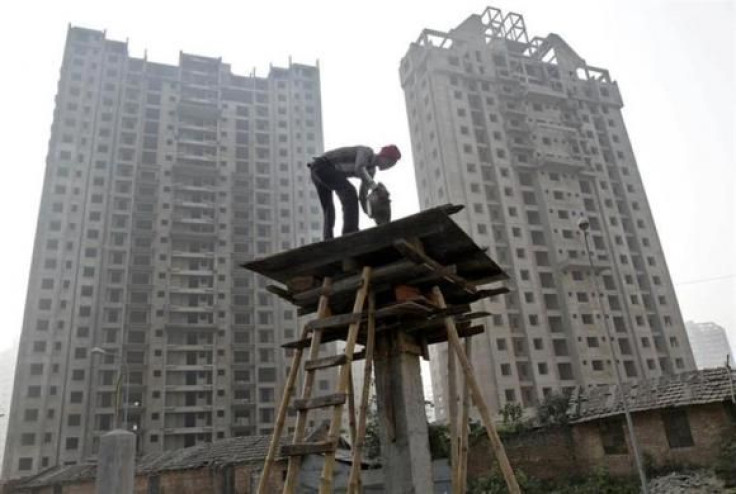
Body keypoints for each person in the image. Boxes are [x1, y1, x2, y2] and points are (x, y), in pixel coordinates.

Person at [308, 145, 401, 240]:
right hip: (321, 165)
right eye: (389, 162)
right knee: (349, 193)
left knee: (329, 208)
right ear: (383, 156)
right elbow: (359, 168)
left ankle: (328, 239)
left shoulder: (371, 171)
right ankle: (350, 232)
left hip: (324, 171)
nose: (389, 166)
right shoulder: (367, 152)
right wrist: (374, 187)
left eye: (391, 165)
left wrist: (370, 213)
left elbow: (362, 196)